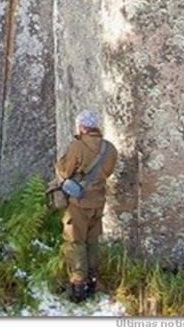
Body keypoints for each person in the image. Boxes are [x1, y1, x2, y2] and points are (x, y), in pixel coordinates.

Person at [55, 108, 118, 303]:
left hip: (79, 202)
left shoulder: (78, 146)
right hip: (98, 202)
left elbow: (65, 171)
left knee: (75, 241)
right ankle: (92, 281)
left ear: (82, 127)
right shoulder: (110, 149)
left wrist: (60, 167)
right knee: (92, 242)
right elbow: (107, 173)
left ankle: (78, 286)